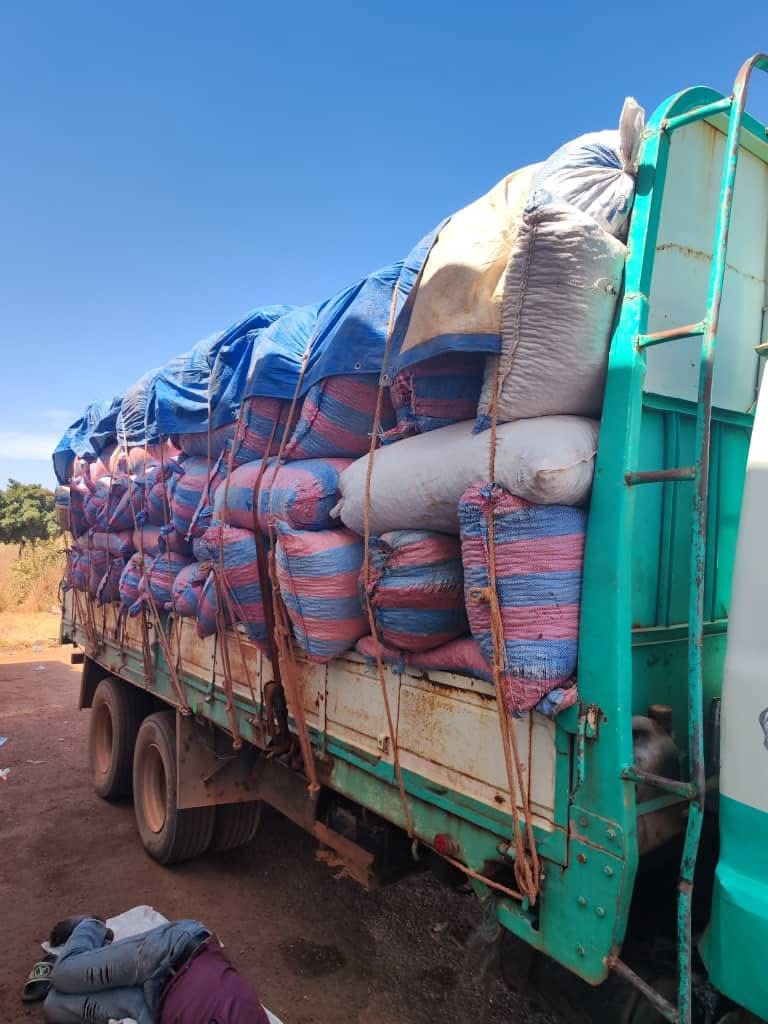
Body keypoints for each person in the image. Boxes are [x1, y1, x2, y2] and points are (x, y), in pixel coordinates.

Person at [29, 915, 271, 1024]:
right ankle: (89, 925)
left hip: (153, 1006)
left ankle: (84, 958)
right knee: (63, 975)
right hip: (172, 954)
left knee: (54, 1007)